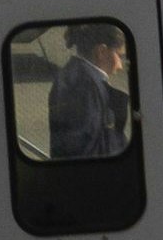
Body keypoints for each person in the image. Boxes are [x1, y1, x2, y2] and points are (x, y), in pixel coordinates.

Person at [48, 25, 134, 160]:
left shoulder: (76, 77)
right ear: (101, 51)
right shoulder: (86, 86)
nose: (120, 65)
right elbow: (85, 150)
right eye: (119, 55)